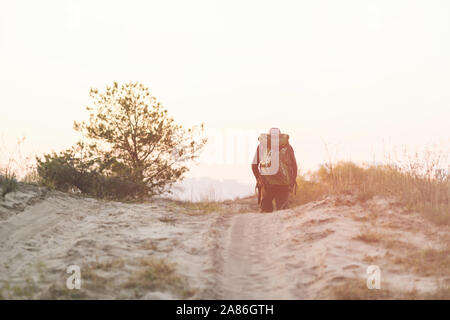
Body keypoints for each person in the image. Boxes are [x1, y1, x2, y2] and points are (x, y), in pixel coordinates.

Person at [251, 128, 297, 212]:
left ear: (268, 136)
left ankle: (267, 225)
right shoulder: (287, 146)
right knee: (283, 212)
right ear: (280, 135)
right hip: (284, 184)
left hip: (266, 184)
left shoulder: (261, 146)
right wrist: (292, 181)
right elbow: (294, 165)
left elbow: (254, 165)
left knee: (265, 212)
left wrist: (258, 178)